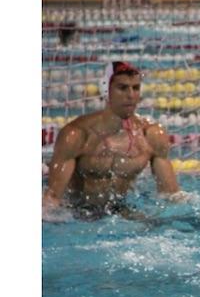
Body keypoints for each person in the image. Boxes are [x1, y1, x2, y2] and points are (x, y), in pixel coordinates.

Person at [42, 61, 182, 221]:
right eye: (122, 88)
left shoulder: (151, 135)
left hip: (120, 211)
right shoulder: (77, 135)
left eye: (135, 88)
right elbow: (52, 198)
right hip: (78, 213)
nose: (131, 95)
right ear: (106, 90)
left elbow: (171, 196)